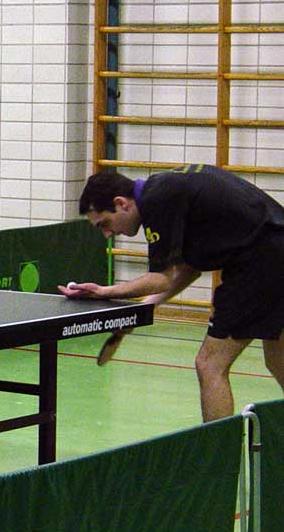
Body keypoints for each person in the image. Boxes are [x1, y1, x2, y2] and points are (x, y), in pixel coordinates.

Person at [61, 165, 284, 423]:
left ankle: (219, 447)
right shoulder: (166, 190)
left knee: (210, 365)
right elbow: (187, 271)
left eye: (105, 224)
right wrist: (144, 309)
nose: (107, 234)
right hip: (276, 248)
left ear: (121, 203)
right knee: (277, 358)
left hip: (260, 262)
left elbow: (160, 278)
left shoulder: (157, 201)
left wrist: (103, 292)